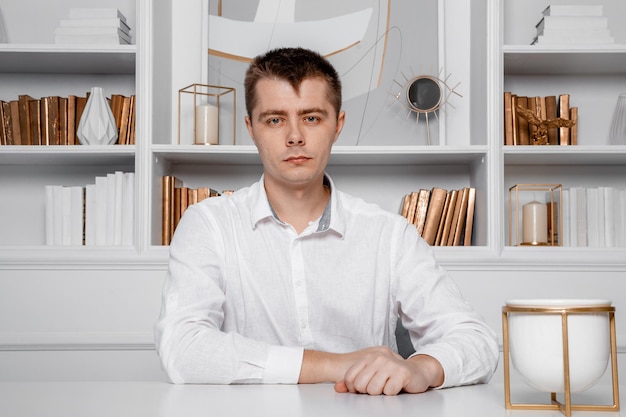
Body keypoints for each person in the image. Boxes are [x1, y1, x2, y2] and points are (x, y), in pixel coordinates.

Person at [154, 47, 498, 396]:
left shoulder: (389, 234)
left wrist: (421, 368)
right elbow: (182, 348)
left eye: (312, 118)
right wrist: (340, 364)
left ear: (338, 125)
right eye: (274, 119)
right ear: (251, 129)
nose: (294, 137)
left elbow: (476, 340)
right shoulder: (208, 224)